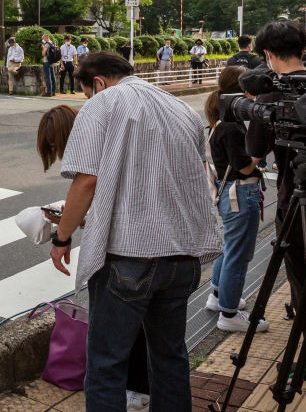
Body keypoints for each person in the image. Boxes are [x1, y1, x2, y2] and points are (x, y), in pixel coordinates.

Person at [50, 51, 221, 408]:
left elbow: (86, 182)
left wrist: (61, 238)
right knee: (170, 357)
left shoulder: (103, 105)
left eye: (87, 92)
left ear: (96, 83)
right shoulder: (183, 111)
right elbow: (203, 178)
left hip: (128, 256)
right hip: (182, 255)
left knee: (106, 363)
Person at [36, 103, 152, 411]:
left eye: (54, 144)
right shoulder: (110, 140)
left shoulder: (92, 155)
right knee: (153, 334)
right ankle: (141, 387)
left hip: (124, 251)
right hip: (154, 247)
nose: (55, 151)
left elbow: (94, 192)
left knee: (108, 344)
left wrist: (63, 232)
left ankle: (134, 389)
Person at [246, 21, 306, 308]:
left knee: (300, 271)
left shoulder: (270, 95)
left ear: (267, 53)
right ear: (303, 50)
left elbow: (253, 155)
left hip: (294, 196)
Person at [204, 65, 268, 333]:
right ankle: (229, 313)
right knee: (238, 255)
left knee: (230, 248)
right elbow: (243, 166)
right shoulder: (232, 127)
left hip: (230, 192)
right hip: (240, 192)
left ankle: (219, 296)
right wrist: (261, 151)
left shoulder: (222, 120)